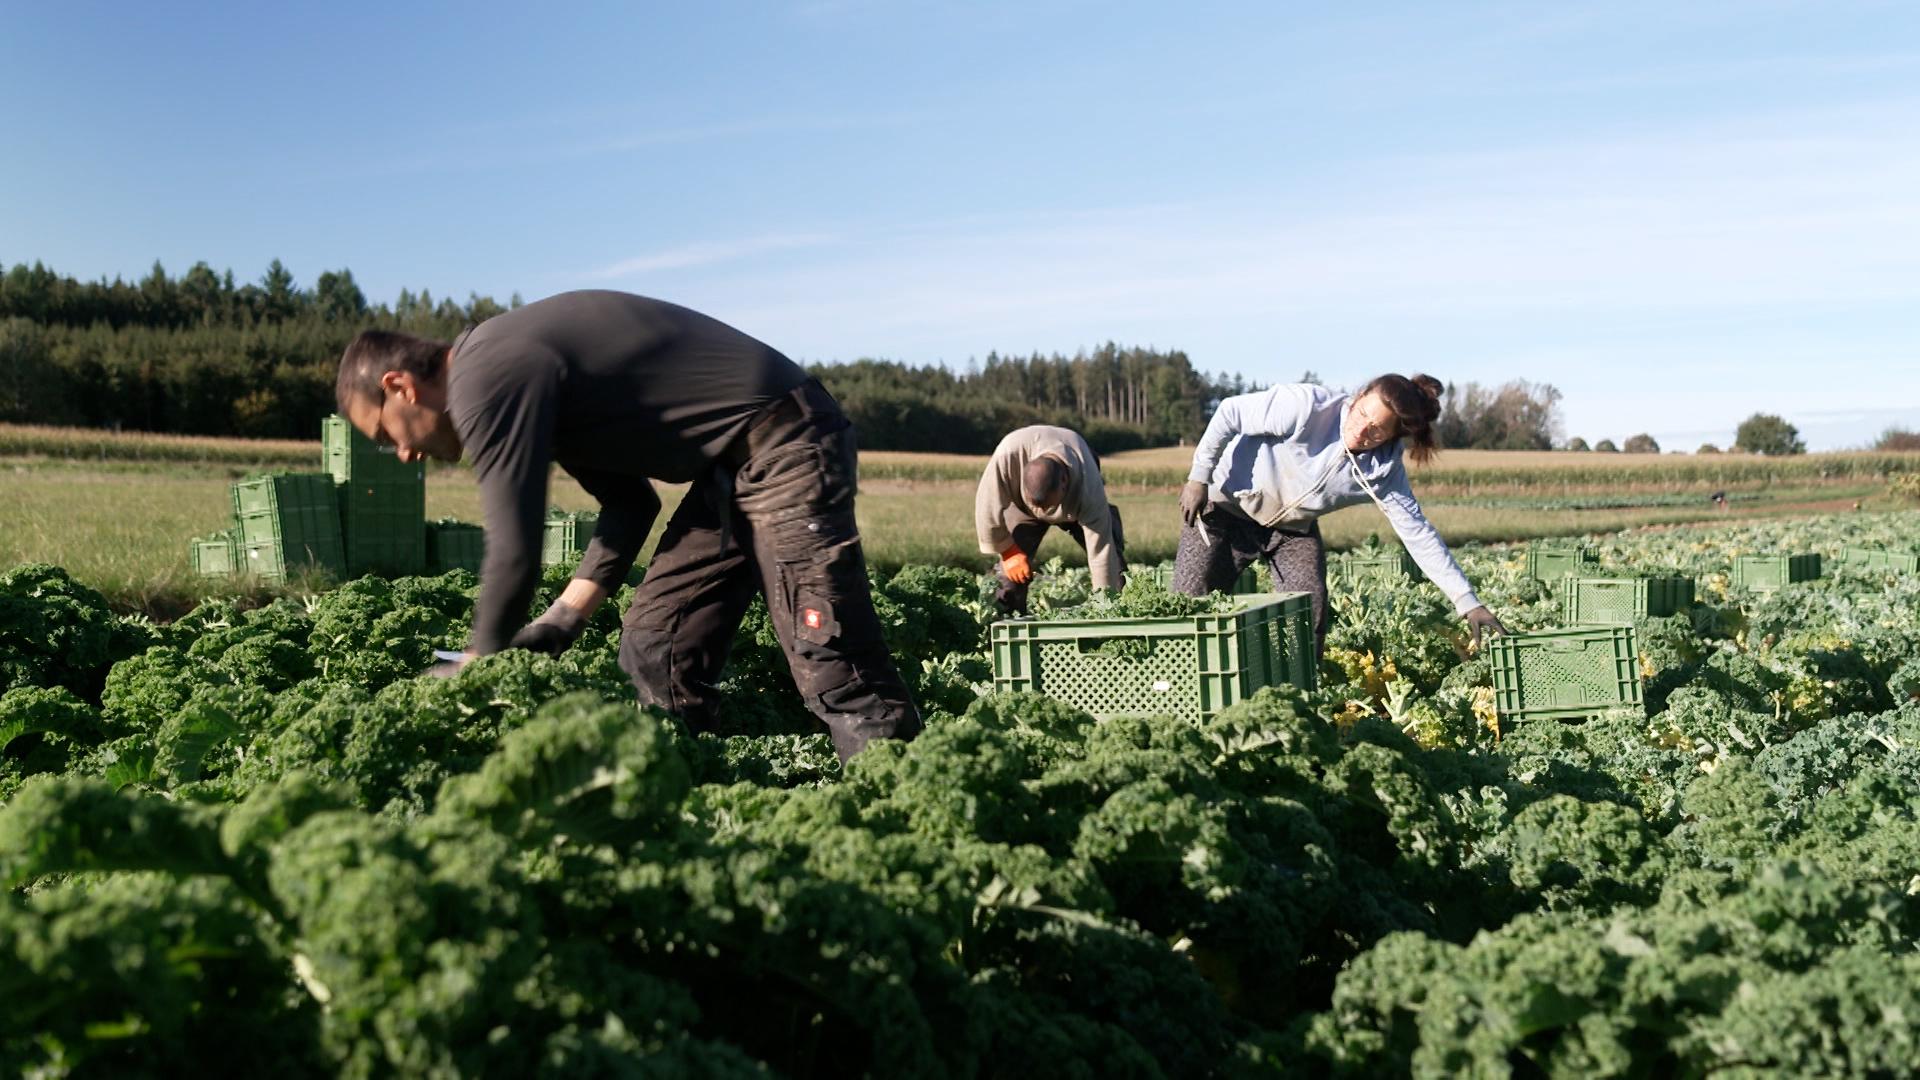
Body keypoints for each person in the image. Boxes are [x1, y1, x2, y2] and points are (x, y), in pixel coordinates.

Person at [333, 289, 921, 760]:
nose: (402, 453)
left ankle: (902, 819)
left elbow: (513, 549)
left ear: (399, 386)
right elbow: (630, 505)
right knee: (658, 644)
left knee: (831, 655)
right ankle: (687, 807)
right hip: (731, 467)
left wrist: (480, 661)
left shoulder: (482, 375)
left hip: (785, 440)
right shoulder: (514, 376)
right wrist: (562, 619)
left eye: (386, 434)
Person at [1174, 374, 1505, 654]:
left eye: (1377, 430)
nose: (1361, 431)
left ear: (1393, 437)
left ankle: (1303, 692)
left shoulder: (1384, 471)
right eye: (1361, 414)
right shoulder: (1305, 407)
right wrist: (1199, 478)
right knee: (1189, 602)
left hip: (1291, 530)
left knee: (1309, 613)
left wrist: (1467, 602)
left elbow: (1418, 534)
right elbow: (1229, 412)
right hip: (1224, 509)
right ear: (1358, 397)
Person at [975, 425, 1126, 613]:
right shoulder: (1008, 455)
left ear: (1064, 482)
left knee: (1114, 569)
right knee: (1009, 580)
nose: (1043, 512)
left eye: (1047, 505)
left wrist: (1106, 607)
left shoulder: (1089, 488)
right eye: (1038, 505)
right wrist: (1008, 551)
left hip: (1076, 508)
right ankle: (1007, 620)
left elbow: (1102, 553)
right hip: (1023, 511)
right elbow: (986, 508)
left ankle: (1124, 618)